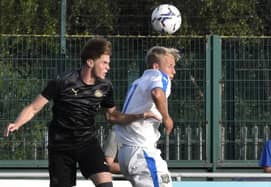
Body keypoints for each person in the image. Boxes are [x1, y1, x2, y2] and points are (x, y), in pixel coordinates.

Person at [3, 37, 158, 187]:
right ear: (90, 62)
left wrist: (140, 116)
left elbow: (111, 115)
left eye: (108, 63)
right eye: (104, 63)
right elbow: (34, 107)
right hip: (60, 146)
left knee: (105, 182)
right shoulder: (62, 81)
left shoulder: (105, 86)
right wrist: (17, 123)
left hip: (87, 143)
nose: (108, 67)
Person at [114, 46, 180, 187]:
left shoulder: (138, 82)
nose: (173, 71)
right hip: (142, 152)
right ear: (156, 67)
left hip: (127, 153)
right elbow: (157, 93)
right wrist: (167, 118)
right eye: (170, 66)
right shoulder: (159, 76)